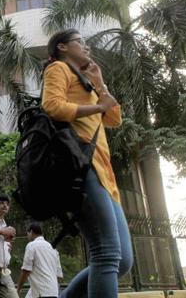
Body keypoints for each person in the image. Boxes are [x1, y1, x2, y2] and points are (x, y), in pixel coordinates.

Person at [41, 29, 133, 297]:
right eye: (80, 42)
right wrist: (98, 107)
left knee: (122, 261)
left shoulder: (86, 81)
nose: (86, 46)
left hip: (105, 174)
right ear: (62, 47)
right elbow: (53, 106)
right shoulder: (57, 68)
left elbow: (114, 118)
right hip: (83, 167)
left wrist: (99, 82)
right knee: (106, 253)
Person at [16, 223, 62, 298]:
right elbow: (59, 276)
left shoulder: (31, 245)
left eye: (27, 233)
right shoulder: (53, 249)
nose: (27, 236)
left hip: (42, 293)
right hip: (54, 292)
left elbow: (26, 270)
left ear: (31, 232)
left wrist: (18, 289)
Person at [0, 195, 20, 298]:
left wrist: (7, 248)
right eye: (1, 203)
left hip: (3, 269)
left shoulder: (4, 224)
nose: (5, 205)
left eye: (7, 204)